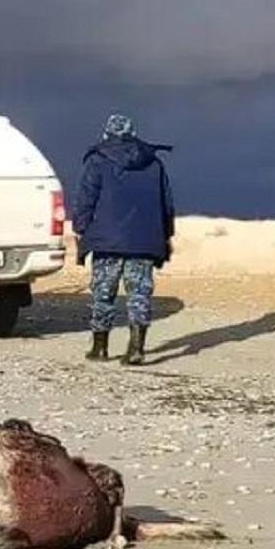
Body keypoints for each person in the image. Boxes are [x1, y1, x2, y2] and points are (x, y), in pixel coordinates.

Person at [71, 113, 175, 366]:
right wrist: (165, 235)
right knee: (139, 294)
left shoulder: (97, 161)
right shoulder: (154, 163)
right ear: (132, 133)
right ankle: (136, 348)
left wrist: (81, 228)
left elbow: (85, 199)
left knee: (103, 294)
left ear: (107, 133)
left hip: (106, 240)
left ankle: (100, 348)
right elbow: (166, 204)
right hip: (144, 241)